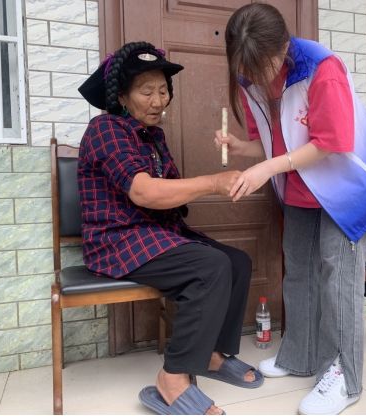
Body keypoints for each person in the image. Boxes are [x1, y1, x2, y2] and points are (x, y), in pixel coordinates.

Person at [215, 3, 366, 415]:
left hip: (347, 186)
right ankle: (301, 355)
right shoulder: (248, 75)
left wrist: (266, 168)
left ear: (284, 47)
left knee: (337, 280)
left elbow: (332, 142)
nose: (256, 77)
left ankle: (343, 377)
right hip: (300, 186)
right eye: (247, 68)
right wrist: (241, 148)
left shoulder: (321, 69)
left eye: (264, 66)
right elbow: (274, 141)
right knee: (299, 273)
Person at [77, 41, 263, 415]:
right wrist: (212, 182)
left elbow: (168, 192)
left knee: (237, 262)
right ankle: (172, 378)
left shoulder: (154, 137)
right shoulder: (105, 128)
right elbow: (144, 191)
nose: (157, 100)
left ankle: (211, 355)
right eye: (146, 91)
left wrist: (195, 189)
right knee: (210, 267)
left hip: (155, 234)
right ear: (122, 96)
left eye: (163, 91)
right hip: (116, 239)